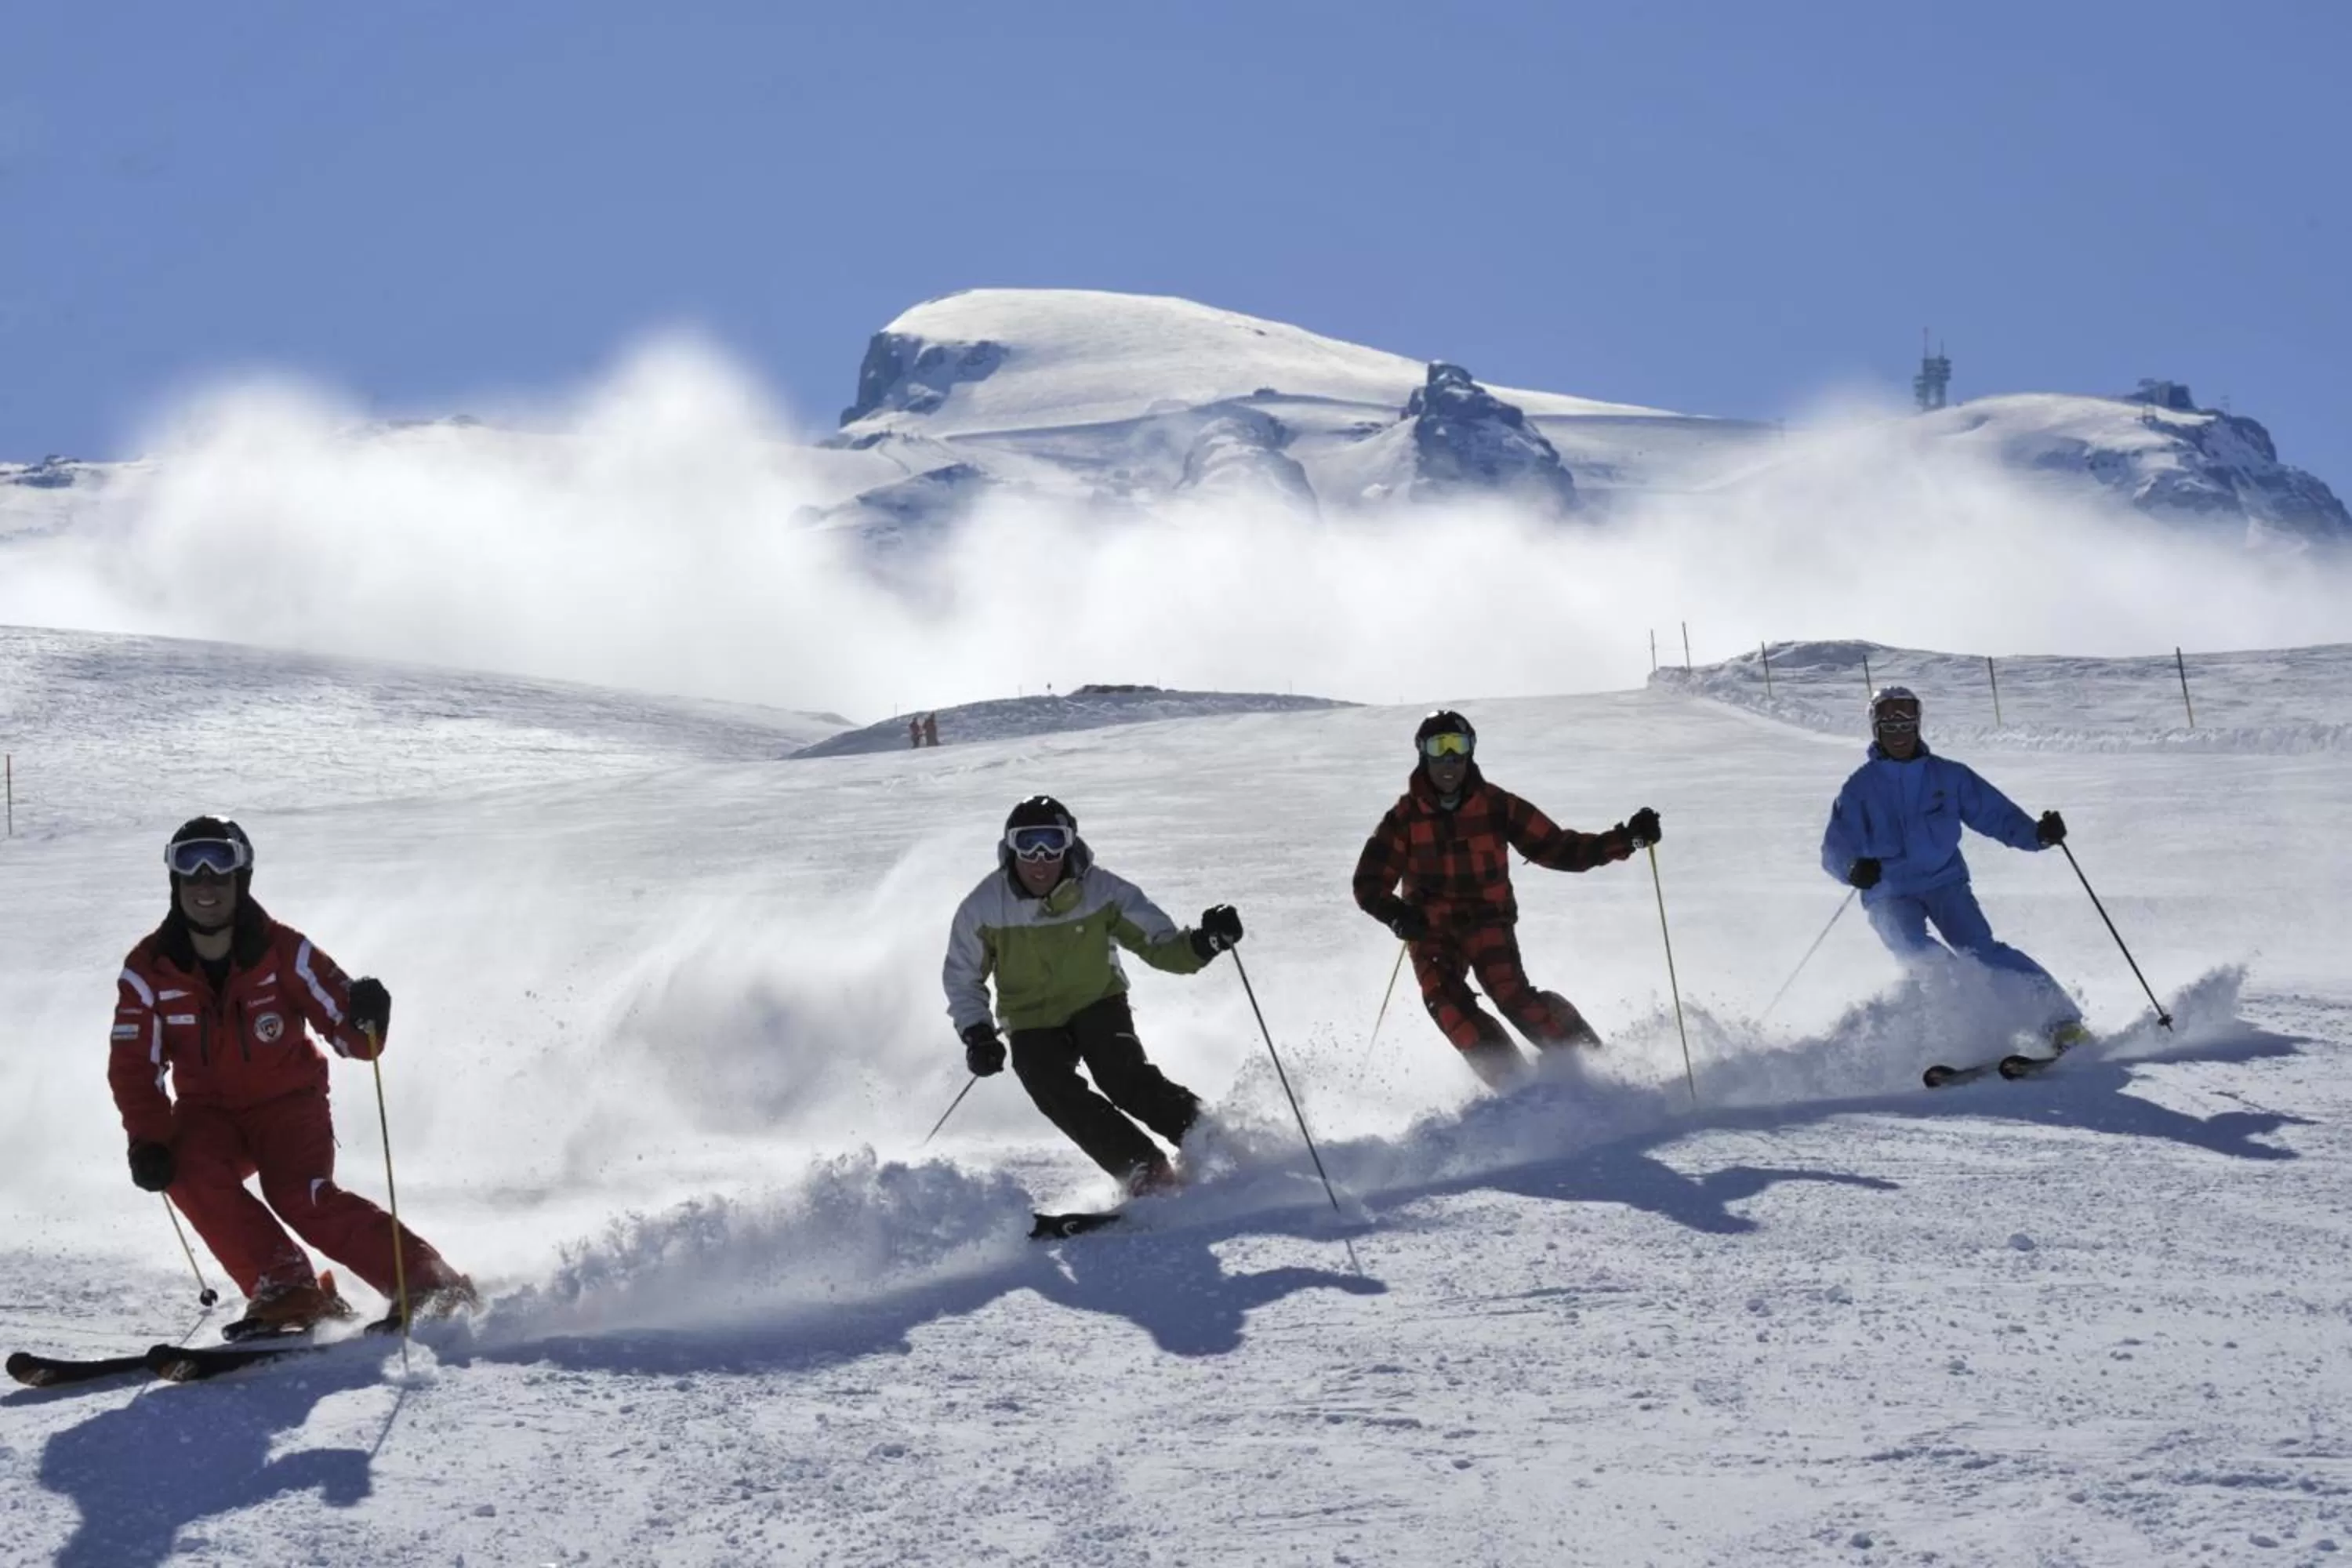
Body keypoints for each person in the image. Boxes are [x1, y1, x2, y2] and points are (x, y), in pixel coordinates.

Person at [108, 817, 476, 1337]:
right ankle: (288, 1288)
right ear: (175, 883)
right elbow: (133, 1067)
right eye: (190, 871)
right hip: (207, 1113)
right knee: (183, 1166)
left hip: (289, 1104)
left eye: (220, 870)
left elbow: (353, 1037)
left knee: (297, 1194)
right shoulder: (149, 971)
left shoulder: (284, 952)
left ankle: (426, 1282)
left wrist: (370, 1014)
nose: (205, 885)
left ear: (242, 878)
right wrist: (147, 1141)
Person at [942, 796, 1242, 1196]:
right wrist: (977, 1033)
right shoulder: (983, 907)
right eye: (1028, 843)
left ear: (1070, 842)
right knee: (1047, 1084)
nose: (1041, 856)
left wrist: (1206, 942)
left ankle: (1210, 1140)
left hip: (1097, 1001)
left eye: (1053, 841)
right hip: (1031, 1018)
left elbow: (1163, 947)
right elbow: (963, 978)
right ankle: (1143, 1168)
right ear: (1010, 846)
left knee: (1121, 1075)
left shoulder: (1103, 890)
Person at [1352, 711, 1661, 1089]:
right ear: (1423, 755)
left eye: (1458, 748)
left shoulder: (1497, 806)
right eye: (1439, 748)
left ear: (1470, 753)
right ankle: (1518, 1088)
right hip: (1431, 931)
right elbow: (1369, 883)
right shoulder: (1404, 819)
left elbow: (1559, 848)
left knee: (1512, 995)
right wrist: (1397, 914)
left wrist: (1626, 840)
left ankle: (1592, 1066)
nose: (1449, 760)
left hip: (1488, 922)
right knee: (1447, 1004)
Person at [1820, 686, 2085, 1044]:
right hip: (1888, 892)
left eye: (1907, 726)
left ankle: (2060, 1020)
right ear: (1877, 731)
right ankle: (1968, 1028)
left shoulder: (1948, 777)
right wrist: (1852, 868)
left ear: (1918, 727)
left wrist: (2037, 834)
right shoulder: (1860, 788)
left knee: (1979, 950)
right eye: (1891, 728)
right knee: (1917, 953)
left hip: (1944, 881)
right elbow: (1836, 847)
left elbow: (1994, 814)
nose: (1900, 736)